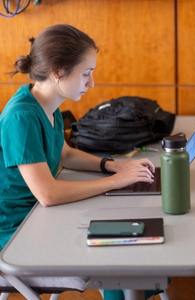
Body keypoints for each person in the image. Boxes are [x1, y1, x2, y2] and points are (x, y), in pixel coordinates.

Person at [0, 24, 156, 300]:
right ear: (58, 71)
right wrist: (116, 181)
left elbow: (65, 154)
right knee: (116, 254)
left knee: (128, 240)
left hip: (38, 216)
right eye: (86, 74)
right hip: (16, 232)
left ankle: (137, 287)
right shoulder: (21, 117)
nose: (92, 83)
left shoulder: (47, 104)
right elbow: (48, 194)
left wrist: (111, 165)